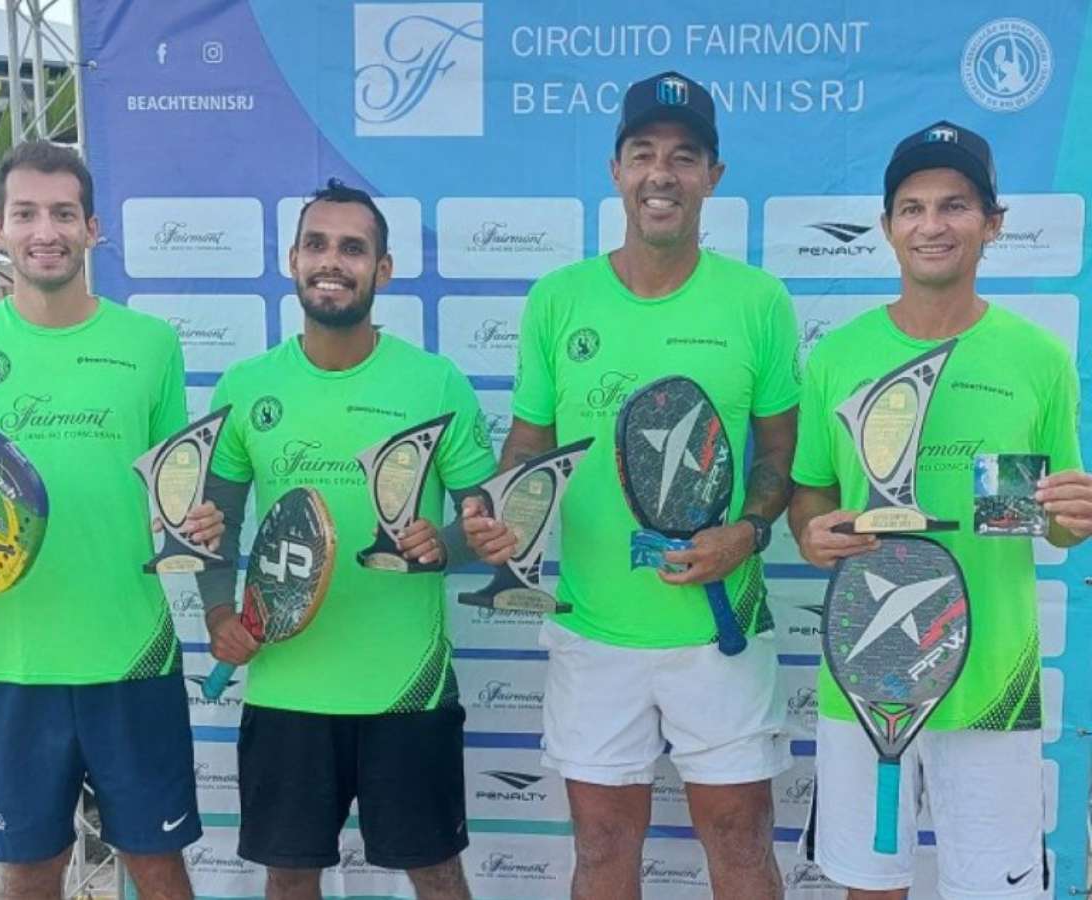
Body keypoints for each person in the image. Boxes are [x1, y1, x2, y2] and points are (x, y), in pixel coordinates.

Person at [463, 70, 799, 900]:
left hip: (720, 627)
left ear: (713, 177)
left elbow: (779, 458)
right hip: (593, 628)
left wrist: (749, 533)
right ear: (615, 170)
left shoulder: (758, 302)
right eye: (643, 153)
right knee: (605, 843)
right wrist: (504, 512)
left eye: (685, 157)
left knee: (742, 840)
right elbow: (529, 445)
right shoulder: (558, 299)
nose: (663, 173)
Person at [0, 141, 222, 900]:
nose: (47, 230)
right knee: (30, 874)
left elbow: (173, 488)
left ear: (92, 228)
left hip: (131, 656)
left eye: (64, 214)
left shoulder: (150, 345)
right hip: (13, 667)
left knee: (158, 869)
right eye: (27, 213)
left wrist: (195, 521)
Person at [789, 120, 1092, 899]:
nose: (932, 225)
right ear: (888, 228)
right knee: (869, 887)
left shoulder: (1038, 357)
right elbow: (813, 493)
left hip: (994, 680)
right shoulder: (839, 355)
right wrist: (810, 531)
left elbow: (1050, 517)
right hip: (866, 676)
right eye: (912, 207)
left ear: (993, 224)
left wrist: (1074, 512)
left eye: (955, 206)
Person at [200, 178, 496, 900]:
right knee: (290, 877)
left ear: (382, 270)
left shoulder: (435, 383)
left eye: (353, 248)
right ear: (293, 259)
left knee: (436, 875)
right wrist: (215, 614)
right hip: (287, 683)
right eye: (318, 244)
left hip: (407, 689)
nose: (333, 261)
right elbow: (217, 519)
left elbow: (486, 526)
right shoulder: (245, 385)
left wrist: (445, 546)